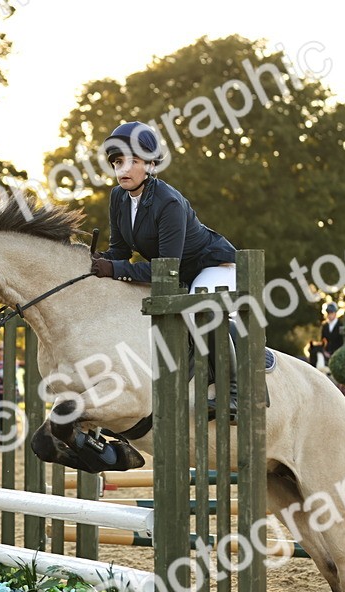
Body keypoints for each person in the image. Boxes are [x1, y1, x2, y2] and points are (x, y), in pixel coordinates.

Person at [88, 120, 239, 432]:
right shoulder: (118, 197)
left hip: (212, 265)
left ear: (151, 164)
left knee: (202, 305)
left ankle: (234, 392)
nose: (123, 169)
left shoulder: (168, 202)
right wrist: (96, 261)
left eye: (132, 161)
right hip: (176, 273)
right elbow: (119, 251)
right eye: (117, 162)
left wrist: (115, 269)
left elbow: (166, 269)